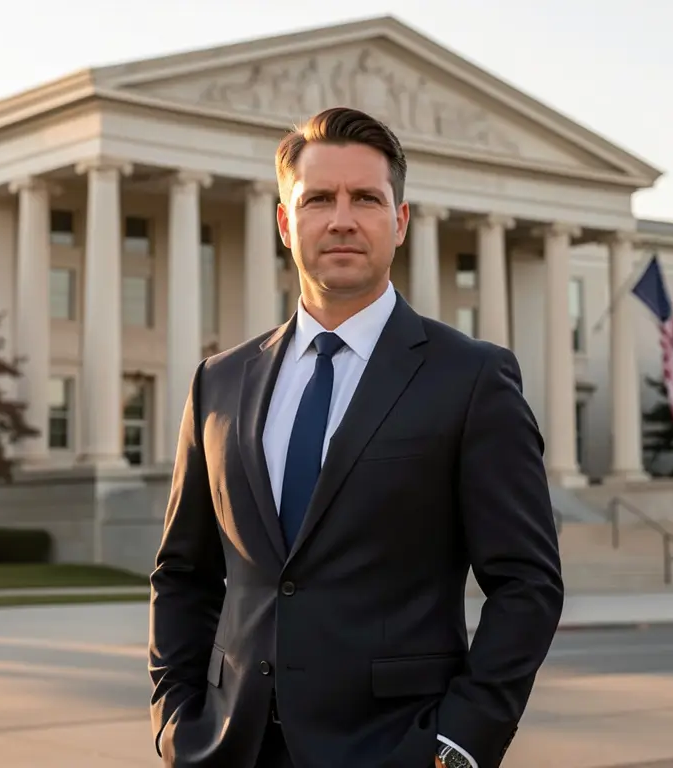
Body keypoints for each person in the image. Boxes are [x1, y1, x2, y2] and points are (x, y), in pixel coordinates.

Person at [147, 105, 565, 768]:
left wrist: (460, 743)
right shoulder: (218, 383)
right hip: (230, 748)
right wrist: (175, 723)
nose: (341, 219)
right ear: (286, 222)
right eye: (318, 199)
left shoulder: (472, 378)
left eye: (366, 198)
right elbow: (183, 574)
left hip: (397, 748)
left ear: (399, 222)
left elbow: (528, 584)